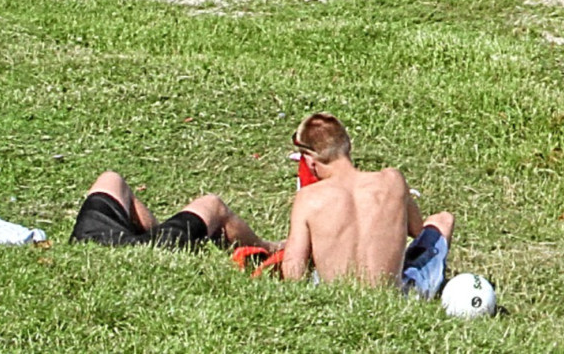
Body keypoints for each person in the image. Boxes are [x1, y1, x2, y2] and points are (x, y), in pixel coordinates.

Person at [279, 114, 457, 294]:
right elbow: (419, 232)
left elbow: (294, 272)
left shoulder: (308, 198)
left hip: (336, 297)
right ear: (347, 146)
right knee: (443, 220)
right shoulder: (392, 181)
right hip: (395, 296)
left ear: (309, 159)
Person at [70, 170, 262, 254]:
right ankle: (267, 248)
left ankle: (154, 234)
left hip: (91, 241)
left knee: (110, 179)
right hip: (153, 249)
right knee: (213, 204)